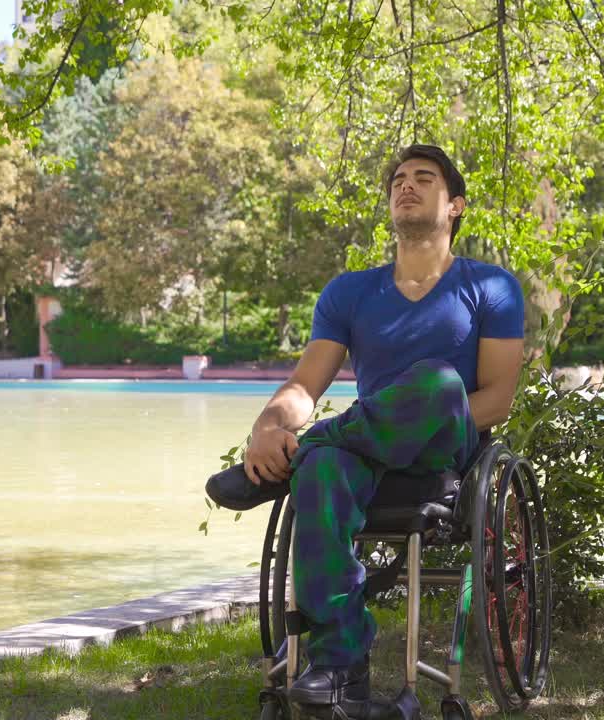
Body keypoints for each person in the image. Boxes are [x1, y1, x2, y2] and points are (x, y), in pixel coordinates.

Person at [207, 144, 525, 714]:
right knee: (326, 469)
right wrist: (267, 426)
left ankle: (306, 453)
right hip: (366, 455)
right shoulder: (349, 292)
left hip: (442, 453)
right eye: (399, 179)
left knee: (438, 382)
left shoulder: (491, 287)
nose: (406, 185)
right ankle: (339, 666)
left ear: (454, 206)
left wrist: (306, 440)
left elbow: (497, 399)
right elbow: (305, 386)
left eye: (423, 179)